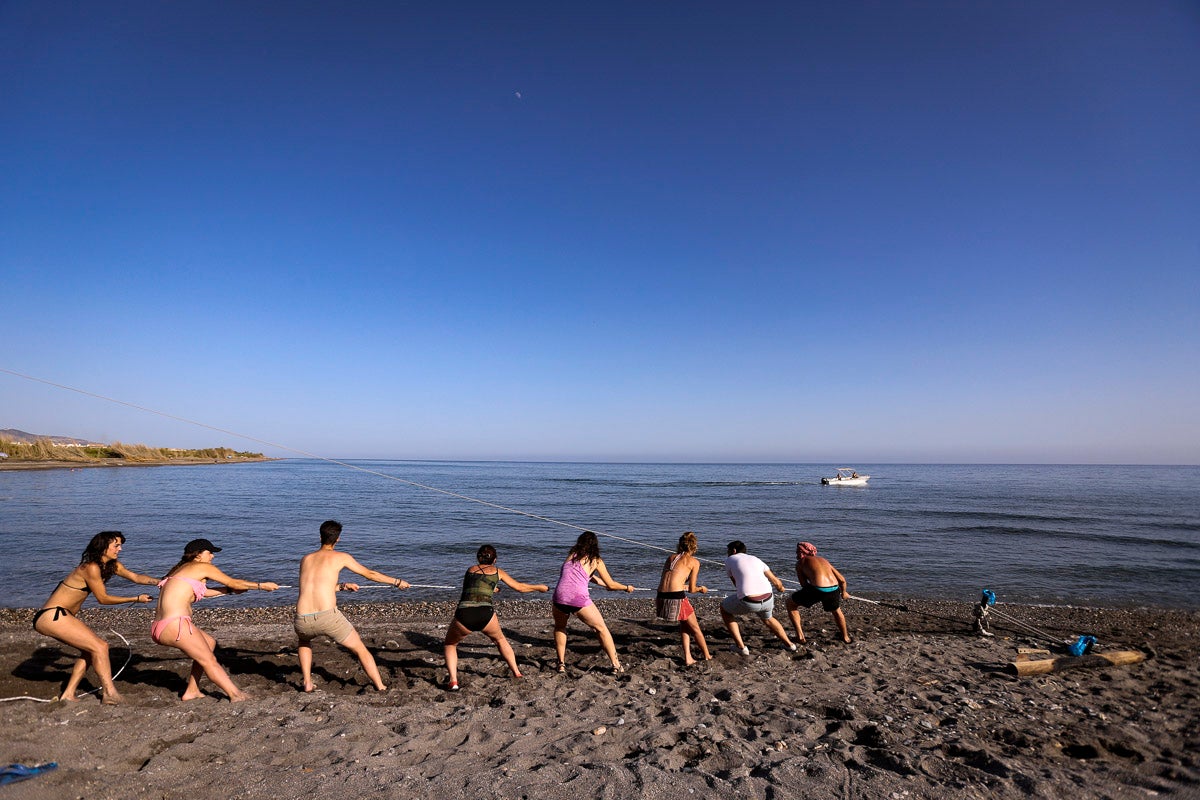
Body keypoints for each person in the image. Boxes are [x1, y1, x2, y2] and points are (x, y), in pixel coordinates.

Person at [33, 531, 158, 703]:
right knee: (100, 646)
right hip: (53, 615)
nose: (119, 549)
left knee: (89, 651)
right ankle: (109, 693)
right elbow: (103, 599)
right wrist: (135, 598)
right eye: (116, 545)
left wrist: (161, 582)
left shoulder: (112, 565)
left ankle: (68, 694)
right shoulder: (91, 567)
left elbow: (135, 577)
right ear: (103, 546)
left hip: (62, 616)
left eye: (120, 545)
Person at [151, 538, 278, 702]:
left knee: (209, 643)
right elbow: (233, 582)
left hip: (159, 627)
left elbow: (203, 592)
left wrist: (229, 591)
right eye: (209, 552)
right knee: (209, 660)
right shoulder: (202, 567)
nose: (212, 556)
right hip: (175, 625)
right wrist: (261, 586)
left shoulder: (180, 570)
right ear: (197, 555)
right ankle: (235, 695)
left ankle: (192, 690)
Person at [295, 519, 410, 693]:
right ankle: (380, 686)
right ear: (338, 539)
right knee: (361, 650)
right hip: (328, 617)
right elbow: (369, 574)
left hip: (302, 619)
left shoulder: (306, 559)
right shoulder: (341, 557)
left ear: (320, 536)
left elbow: (313, 587)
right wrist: (397, 582)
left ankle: (307, 683)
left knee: (304, 641)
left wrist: (342, 586)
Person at [443, 544, 549, 691]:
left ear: (478, 557)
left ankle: (454, 681)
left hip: (464, 614)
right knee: (500, 640)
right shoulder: (498, 572)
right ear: (495, 560)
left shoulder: (470, 570)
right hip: (485, 614)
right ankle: (516, 673)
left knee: (450, 644)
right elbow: (520, 587)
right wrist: (540, 588)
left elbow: (473, 587)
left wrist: (492, 588)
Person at [551, 531, 637, 673]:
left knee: (560, 627)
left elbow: (587, 576)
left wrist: (605, 585)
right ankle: (616, 665)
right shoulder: (596, 560)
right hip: (577, 598)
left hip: (559, 597)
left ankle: (561, 664)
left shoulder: (571, 557)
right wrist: (625, 588)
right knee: (601, 628)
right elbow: (611, 584)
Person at [720, 540, 798, 655]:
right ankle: (789, 645)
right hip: (768, 598)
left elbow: (736, 584)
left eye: (728, 551)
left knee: (724, 609)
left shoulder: (729, 560)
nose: (727, 553)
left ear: (733, 551)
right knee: (768, 618)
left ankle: (741, 647)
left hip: (749, 601)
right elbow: (776, 582)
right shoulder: (756, 559)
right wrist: (781, 588)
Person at [655, 531, 711, 666]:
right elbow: (692, 589)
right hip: (676, 598)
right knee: (696, 628)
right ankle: (708, 656)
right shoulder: (694, 562)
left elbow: (671, 581)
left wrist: (684, 587)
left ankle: (688, 657)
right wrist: (701, 589)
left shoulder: (670, 558)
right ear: (694, 546)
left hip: (661, 596)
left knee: (685, 625)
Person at [785, 541, 852, 643]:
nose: (796, 554)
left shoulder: (800, 563)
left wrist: (811, 589)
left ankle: (800, 637)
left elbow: (803, 585)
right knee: (836, 611)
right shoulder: (823, 560)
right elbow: (842, 580)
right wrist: (844, 593)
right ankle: (846, 637)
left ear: (802, 552)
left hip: (817, 589)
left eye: (797, 551)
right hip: (834, 589)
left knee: (790, 604)